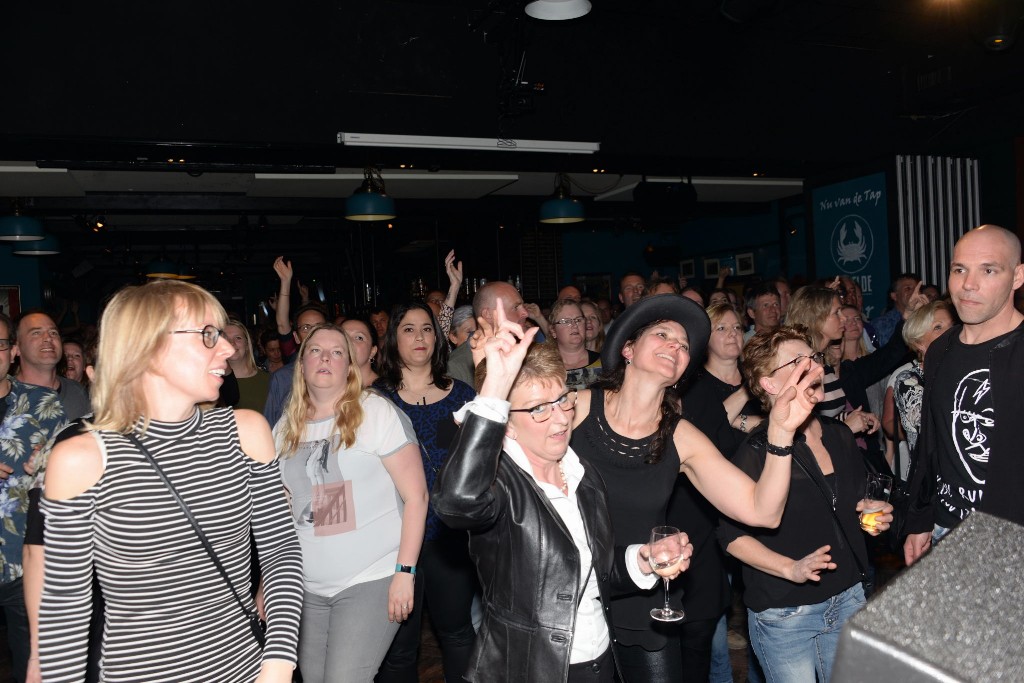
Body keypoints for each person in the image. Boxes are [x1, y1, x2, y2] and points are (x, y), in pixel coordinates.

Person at [39, 280, 304, 683]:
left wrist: (278, 664)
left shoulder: (245, 432)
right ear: (148, 347)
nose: (229, 349)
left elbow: (281, 552)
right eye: (208, 335)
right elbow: (64, 611)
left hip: (246, 671)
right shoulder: (82, 458)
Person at [569, 294, 823, 682]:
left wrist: (782, 433)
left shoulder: (682, 437)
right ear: (628, 349)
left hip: (645, 608)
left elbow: (762, 510)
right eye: (662, 334)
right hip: (572, 598)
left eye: (685, 345)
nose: (676, 345)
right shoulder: (574, 409)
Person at [432, 319, 687, 682]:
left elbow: (587, 572)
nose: (560, 418)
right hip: (533, 668)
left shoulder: (583, 475)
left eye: (562, 400)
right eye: (538, 408)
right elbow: (456, 502)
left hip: (600, 660)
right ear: (507, 423)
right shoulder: (499, 483)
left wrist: (642, 560)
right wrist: (494, 391)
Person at [719, 326, 893, 683]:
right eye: (798, 362)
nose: (814, 367)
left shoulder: (839, 434)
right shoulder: (754, 453)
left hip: (848, 596)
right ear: (768, 384)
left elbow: (854, 504)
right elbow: (730, 537)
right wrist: (789, 569)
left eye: (813, 358)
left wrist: (875, 513)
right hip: (787, 612)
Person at [274, 322, 428, 682]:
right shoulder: (283, 429)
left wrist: (405, 573)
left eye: (337, 351)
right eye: (315, 350)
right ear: (301, 363)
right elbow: (279, 518)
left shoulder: (376, 413)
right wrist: (271, 584)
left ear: (349, 366)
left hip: (370, 578)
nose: (325, 357)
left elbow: (417, 496)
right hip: (306, 587)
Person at [904, 225, 1024, 567]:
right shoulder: (940, 349)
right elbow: (930, 444)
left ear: (1017, 277)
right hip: (946, 533)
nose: (968, 284)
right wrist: (920, 518)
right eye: (959, 270)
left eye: (989, 270)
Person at [373, 303, 478, 681]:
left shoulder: (463, 396)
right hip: (394, 540)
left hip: (450, 537)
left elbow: (482, 466)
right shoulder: (374, 401)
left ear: (437, 338)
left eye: (427, 329)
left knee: (457, 633)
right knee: (399, 649)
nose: (420, 337)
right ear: (392, 339)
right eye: (408, 329)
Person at [881, 300, 955, 482]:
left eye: (952, 326)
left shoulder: (963, 370)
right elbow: (935, 430)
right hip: (932, 485)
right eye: (938, 327)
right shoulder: (909, 381)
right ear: (919, 342)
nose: (950, 332)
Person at [447, 281, 529, 387]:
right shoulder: (457, 365)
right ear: (488, 314)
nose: (525, 313)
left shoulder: (525, 350)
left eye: (523, 306)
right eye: (515, 307)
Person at [548, 299, 603, 390]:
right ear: (553, 331)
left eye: (578, 320)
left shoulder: (604, 362)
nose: (574, 325)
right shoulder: (544, 368)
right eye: (566, 321)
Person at [224, 320, 272, 412]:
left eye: (238, 338)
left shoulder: (268, 380)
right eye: (225, 339)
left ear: (247, 344)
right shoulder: (212, 383)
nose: (232, 343)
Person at [873, 272, 922, 346]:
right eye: (908, 288)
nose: (914, 293)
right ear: (894, 296)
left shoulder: (925, 318)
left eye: (916, 289)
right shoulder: (881, 324)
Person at [341, 318, 379, 386]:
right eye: (344, 336)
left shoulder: (383, 393)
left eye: (359, 338)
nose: (348, 341)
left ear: (372, 351)